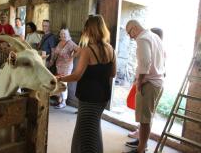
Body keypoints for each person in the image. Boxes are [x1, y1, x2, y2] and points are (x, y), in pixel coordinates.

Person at [57, 15, 116, 153]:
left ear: (89, 30)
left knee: (85, 135)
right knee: (94, 129)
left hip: (89, 98)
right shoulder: (111, 49)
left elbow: (77, 76)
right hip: (102, 97)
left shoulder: (87, 50)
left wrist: (60, 78)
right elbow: (113, 74)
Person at [125, 20, 165, 153]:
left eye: (129, 32)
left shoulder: (142, 38)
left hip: (148, 83)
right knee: (147, 118)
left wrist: (140, 81)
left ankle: (140, 150)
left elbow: (145, 62)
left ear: (135, 28)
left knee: (144, 120)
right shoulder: (154, 36)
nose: (130, 36)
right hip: (158, 81)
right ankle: (142, 143)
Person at [49, 28, 79, 109]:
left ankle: (64, 102)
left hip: (67, 66)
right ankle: (60, 100)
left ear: (68, 35)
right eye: (61, 34)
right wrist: (52, 60)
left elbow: (79, 50)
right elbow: (55, 53)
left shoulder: (70, 43)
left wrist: (72, 57)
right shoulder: (60, 42)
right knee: (59, 81)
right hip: (59, 65)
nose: (63, 35)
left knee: (64, 83)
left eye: (64, 34)